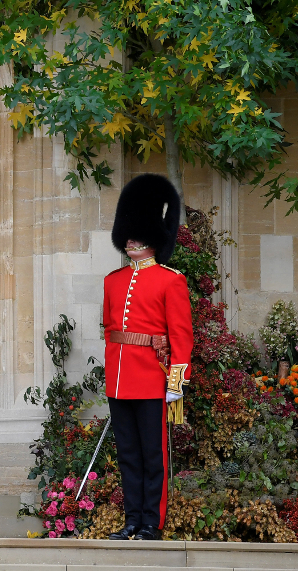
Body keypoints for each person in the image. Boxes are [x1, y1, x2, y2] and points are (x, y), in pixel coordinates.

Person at [105, 174, 193, 541]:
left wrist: (176, 384)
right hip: (120, 381)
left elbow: (182, 338)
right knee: (128, 455)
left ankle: (151, 524)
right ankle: (132, 520)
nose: (130, 239)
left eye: (136, 232)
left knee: (152, 457)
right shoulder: (113, 280)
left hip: (153, 380)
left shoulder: (171, 280)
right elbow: (110, 331)